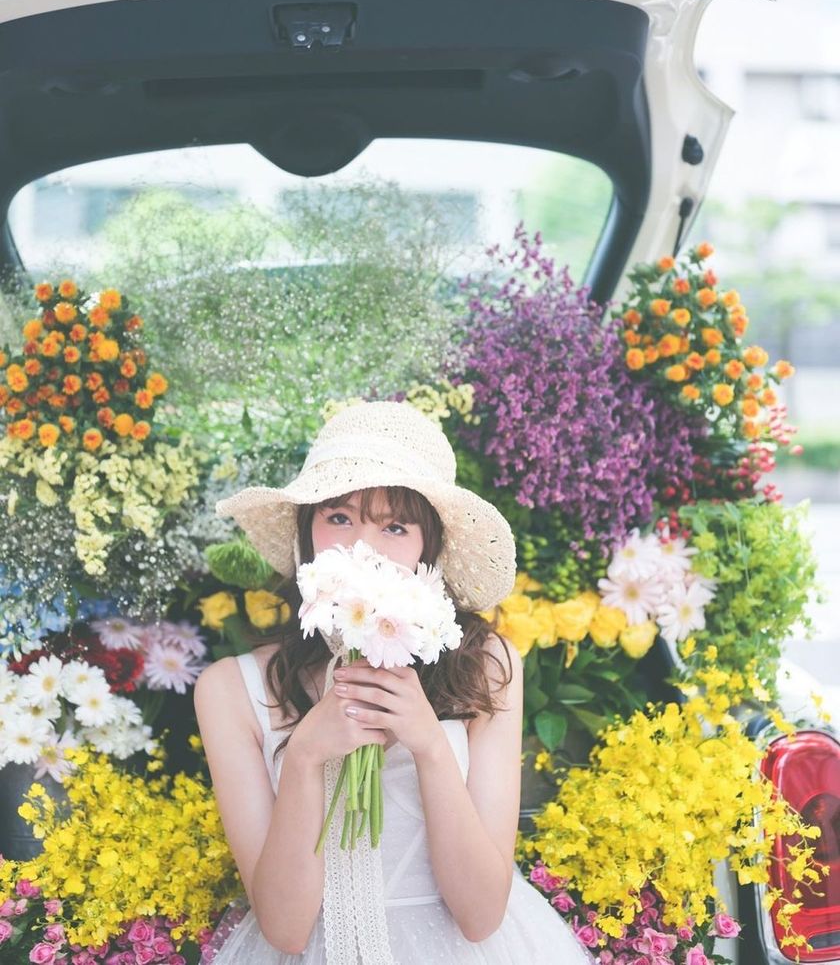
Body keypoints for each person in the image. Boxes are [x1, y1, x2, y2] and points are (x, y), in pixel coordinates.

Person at [194, 400, 596, 965]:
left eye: (396, 526)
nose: (364, 547)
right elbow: (284, 928)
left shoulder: (486, 665)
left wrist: (429, 743)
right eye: (338, 518)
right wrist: (306, 753)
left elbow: (481, 915)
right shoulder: (229, 690)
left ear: (428, 549)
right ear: (306, 534)